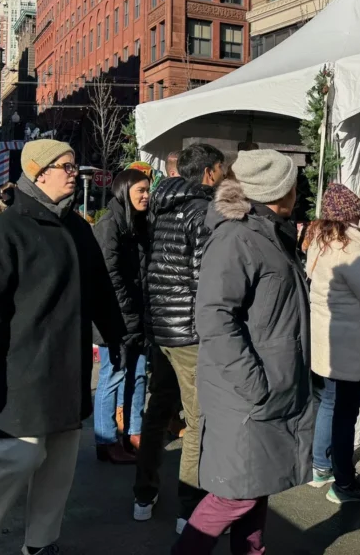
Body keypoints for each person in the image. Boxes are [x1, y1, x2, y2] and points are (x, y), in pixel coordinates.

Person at [0, 140, 129, 555]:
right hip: (20, 365)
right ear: (38, 173)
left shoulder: (77, 228)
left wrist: (116, 337)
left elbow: (99, 290)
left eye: (74, 165)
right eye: (67, 166)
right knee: (18, 457)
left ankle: (41, 542)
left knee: (59, 461)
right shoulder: (5, 229)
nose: (75, 172)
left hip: (68, 364)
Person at [172, 149, 311, 555]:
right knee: (235, 495)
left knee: (256, 486)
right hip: (245, 393)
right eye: (294, 184)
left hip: (265, 386)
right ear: (276, 191)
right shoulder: (238, 237)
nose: (299, 191)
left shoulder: (268, 230)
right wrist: (255, 384)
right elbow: (214, 317)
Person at [134, 143, 225, 528]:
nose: (224, 176)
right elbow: (207, 276)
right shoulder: (201, 211)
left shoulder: (159, 207)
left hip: (160, 326)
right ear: (208, 174)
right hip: (187, 330)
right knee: (197, 419)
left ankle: (143, 494)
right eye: (221, 169)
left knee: (158, 410)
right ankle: (189, 508)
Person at [305, 182, 360, 503]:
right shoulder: (351, 248)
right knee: (346, 414)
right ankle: (343, 483)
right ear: (353, 214)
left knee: (328, 405)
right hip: (350, 346)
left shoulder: (318, 242)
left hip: (327, 342)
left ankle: (320, 467)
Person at [93, 168, 152, 464]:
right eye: (140, 190)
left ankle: (134, 431)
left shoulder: (139, 223)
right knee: (113, 375)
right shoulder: (110, 224)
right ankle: (105, 439)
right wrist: (128, 309)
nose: (146, 195)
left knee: (139, 373)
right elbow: (109, 275)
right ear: (124, 190)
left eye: (147, 190)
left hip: (138, 315)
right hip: (113, 318)